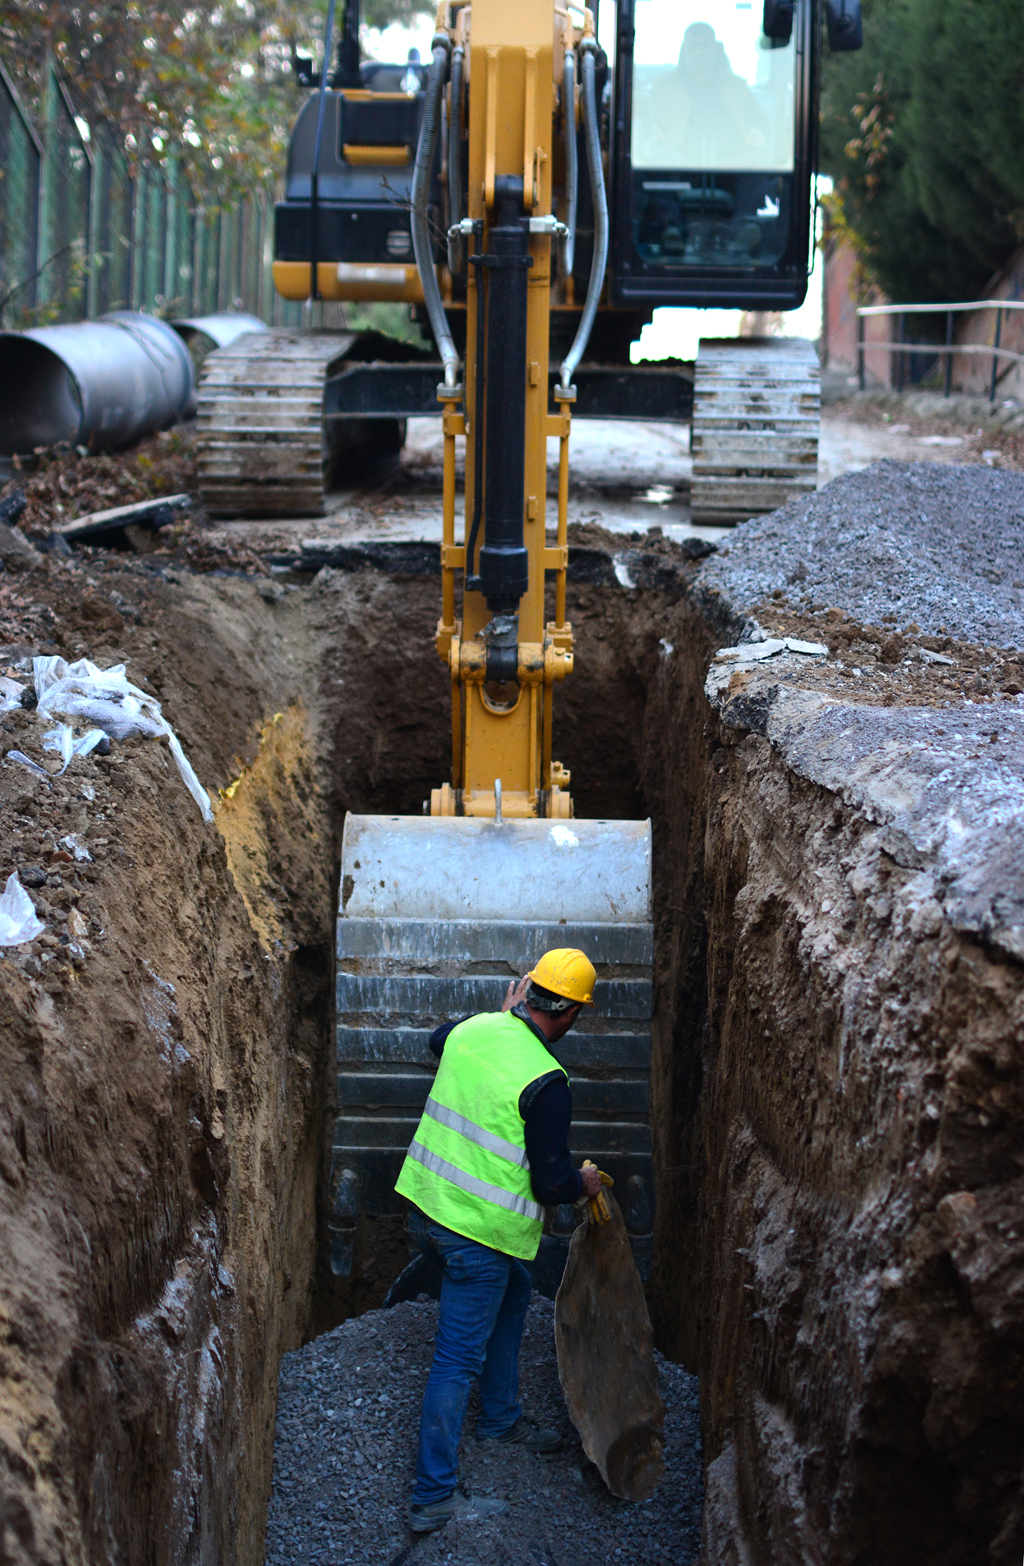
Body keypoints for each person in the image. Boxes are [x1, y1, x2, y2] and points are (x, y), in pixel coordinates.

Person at [395, 947, 603, 1534]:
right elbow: (551, 1182)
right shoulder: (549, 1082)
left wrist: (497, 1017)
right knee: (456, 1359)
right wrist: (582, 1183)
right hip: (475, 1238)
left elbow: (439, 1041)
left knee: (516, 1289)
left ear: (526, 992)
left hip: (426, 1212)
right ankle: (432, 1497)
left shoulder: (472, 1030)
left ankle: (501, 1420)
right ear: (570, 1016)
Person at [644, 20, 768, 168]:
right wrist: (654, 132)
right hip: (680, 163)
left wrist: (756, 130)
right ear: (684, 50)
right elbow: (647, 124)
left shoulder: (737, 87)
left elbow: (760, 121)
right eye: (693, 46)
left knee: (759, 161)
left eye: (704, 46)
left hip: (733, 163)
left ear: (715, 50)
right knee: (661, 157)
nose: (698, 52)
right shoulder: (662, 88)